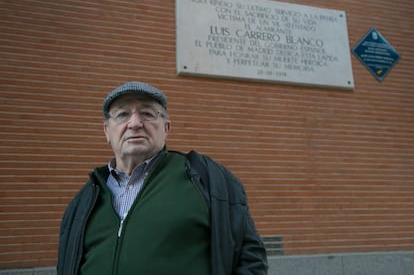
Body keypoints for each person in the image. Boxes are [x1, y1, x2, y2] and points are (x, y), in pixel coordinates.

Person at [57, 81, 268, 275]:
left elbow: (250, 259)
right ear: (107, 131)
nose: (135, 123)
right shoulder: (86, 199)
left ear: (166, 128)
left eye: (147, 113)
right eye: (122, 115)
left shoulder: (205, 179)